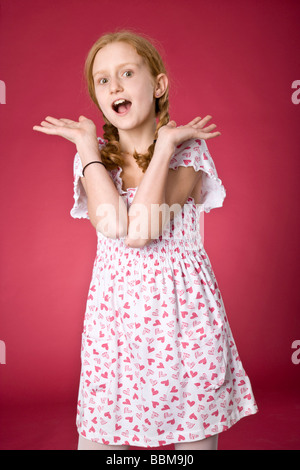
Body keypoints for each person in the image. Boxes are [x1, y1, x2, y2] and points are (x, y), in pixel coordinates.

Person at [33, 29, 258, 451]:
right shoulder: (93, 156)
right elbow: (117, 226)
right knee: (100, 442)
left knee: (191, 444)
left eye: (126, 72)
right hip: (114, 323)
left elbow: (143, 231)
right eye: (102, 80)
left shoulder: (188, 151)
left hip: (183, 319)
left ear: (157, 85)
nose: (113, 85)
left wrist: (167, 143)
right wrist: (86, 146)